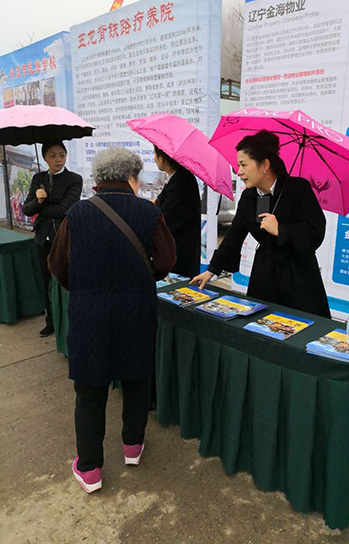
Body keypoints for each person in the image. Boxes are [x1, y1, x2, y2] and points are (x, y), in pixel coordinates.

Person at [48, 147, 176, 493]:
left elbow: (57, 265)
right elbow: (166, 260)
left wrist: (85, 288)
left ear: (99, 178)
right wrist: (141, 275)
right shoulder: (148, 212)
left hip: (89, 312)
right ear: (132, 177)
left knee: (90, 390)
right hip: (136, 309)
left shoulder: (77, 213)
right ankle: (133, 446)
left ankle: (90, 469)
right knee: (136, 377)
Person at [191, 130, 331, 319]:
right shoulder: (249, 197)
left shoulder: (299, 189)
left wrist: (281, 230)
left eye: (243, 165)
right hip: (265, 276)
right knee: (260, 325)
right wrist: (211, 270)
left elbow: (316, 231)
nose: (239, 172)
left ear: (264, 165)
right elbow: (234, 235)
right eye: (238, 165)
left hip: (298, 278)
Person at [22, 140, 82, 336]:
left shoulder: (74, 179)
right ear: (45, 158)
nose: (58, 159)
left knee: (65, 279)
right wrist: (38, 200)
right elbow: (27, 209)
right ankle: (51, 321)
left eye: (62, 155)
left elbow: (65, 209)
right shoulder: (38, 178)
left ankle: (69, 319)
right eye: (53, 156)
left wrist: (41, 207)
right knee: (45, 280)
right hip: (42, 238)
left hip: (63, 237)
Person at [153, 145, 201, 277]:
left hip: (180, 252)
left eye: (155, 154)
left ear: (161, 158)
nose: (154, 159)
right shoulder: (176, 178)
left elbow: (168, 216)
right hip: (178, 248)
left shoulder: (182, 181)